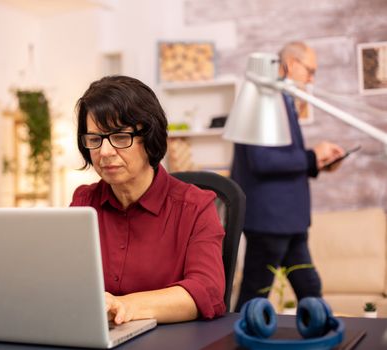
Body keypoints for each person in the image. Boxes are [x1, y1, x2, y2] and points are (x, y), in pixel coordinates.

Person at [70, 75, 226, 324]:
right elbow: (66, 282)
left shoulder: (196, 207)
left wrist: (125, 305)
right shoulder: (84, 201)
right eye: (95, 139)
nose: (105, 152)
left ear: (150, 138)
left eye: (120, 137)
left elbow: (207, 290)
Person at [232, 42, 346, 312]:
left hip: (288, 221)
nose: (311, 79)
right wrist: (310, 157)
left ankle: (325, 337)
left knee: (310, 289)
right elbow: (261, 160)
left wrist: (317, 163)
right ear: (292, 64)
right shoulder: (263, 99)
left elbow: (281, 157)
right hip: (271, 221)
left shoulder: (281, 99)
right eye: (310, 70)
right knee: (254, 295)